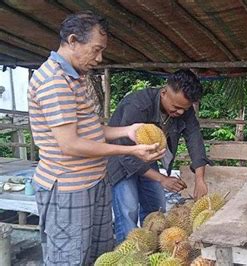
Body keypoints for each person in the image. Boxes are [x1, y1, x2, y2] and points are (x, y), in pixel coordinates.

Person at [27, 11, 164, 265]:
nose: (100, 58)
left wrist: (128, 131)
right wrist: (130, 151)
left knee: (98, 256)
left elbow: (92, 129)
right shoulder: (54, 81)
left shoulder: (79, 77)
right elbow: (71, 144)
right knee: (68, 258)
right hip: (68, 190)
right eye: (96, 49)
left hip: (96, 182)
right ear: (72, 41)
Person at [107, 69, 211, 243]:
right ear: (164, 92)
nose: (179, 113)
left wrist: (200, 178)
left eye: (184, 109)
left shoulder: (184, 109)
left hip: (148, 161)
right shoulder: (138, 105)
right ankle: (127, 255)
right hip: (121, 159)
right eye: (176, 107)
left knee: (157, 208)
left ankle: (151, 252)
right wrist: (162, 179)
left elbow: (194, 138)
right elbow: (125, 151)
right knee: (128, 211)